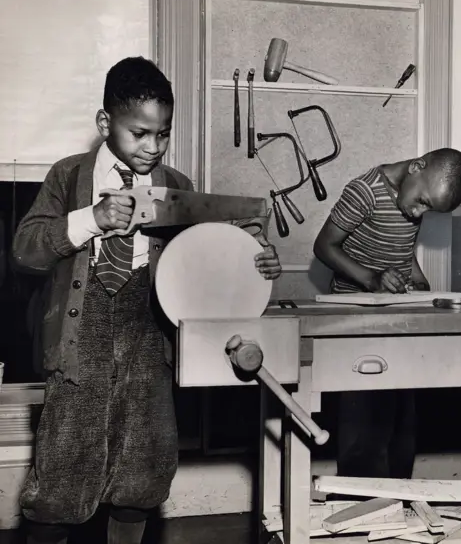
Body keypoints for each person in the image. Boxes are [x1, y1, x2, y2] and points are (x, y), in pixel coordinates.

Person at [12, 56, 282, 544]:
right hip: (80, 345)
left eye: (162, 135)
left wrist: (252, 260)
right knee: (61, 480)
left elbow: (205, 265)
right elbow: (26, 250)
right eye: (140, 133)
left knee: (143, 472)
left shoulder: (176, 186)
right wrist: (91, 218)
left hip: (147, 344)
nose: (152, 147)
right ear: (105, 123)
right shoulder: (67, 176)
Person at [313, 148, 461, 480]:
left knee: (401, 423)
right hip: (356, 322)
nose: (418, 214)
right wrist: (371, 279)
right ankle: (359, 506)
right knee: (363, 425)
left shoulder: (413, 194)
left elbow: (401, 250)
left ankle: (398, 502)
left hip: (397, 321)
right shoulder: (365, 190)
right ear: (417, 167)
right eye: (423, 203)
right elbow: (324, 246)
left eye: (427, 209)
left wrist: (418, 281)